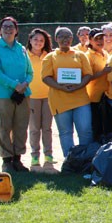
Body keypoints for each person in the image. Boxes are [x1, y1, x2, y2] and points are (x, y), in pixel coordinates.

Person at [0, 16, 33, 173]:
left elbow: (30, 72)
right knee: (3, 126)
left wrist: (24, 84)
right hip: (2, 94)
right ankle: (7, 160)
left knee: (21, 126)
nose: (8, 29)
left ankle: (17, 159)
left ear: (16, 30)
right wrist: (15, 85)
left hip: (22, 94)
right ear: (0, 29)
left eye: (11, 26)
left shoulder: (21, 49)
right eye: (5, 26)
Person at [42, 27, 93, 158]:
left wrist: (79, 86)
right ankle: (70, 160)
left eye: (68, 37)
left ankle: (85, 160)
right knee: (65, 132)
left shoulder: (80, 55)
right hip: (60, 100)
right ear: (56, 39)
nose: (65, 40)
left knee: (85, 131)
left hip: (80, 99)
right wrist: (61, 87)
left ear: (72, 38)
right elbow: (46, 77)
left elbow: (88, 74)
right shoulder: (50, 57)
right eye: (62, 37)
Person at [26, 28, 57, 173]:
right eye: (35, 39)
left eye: (41, 40)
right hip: (31, 97)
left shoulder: (49, 55)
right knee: (34, 128)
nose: (38, 43)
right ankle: (34, 156)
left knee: (47, 128)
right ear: (30, 40)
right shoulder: (24, 55)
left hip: (47, 96)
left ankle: (48, 155)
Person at [85, 29, 112, 142]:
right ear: (90, 40)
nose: (100, 41)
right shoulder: (87, 56)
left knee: (108, 127)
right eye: (96, 39)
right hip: (94, 97)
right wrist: (103, 72)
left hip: (108, 96)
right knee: (97, 127)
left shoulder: (106, 53)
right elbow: (87, 77)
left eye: (101, 38)